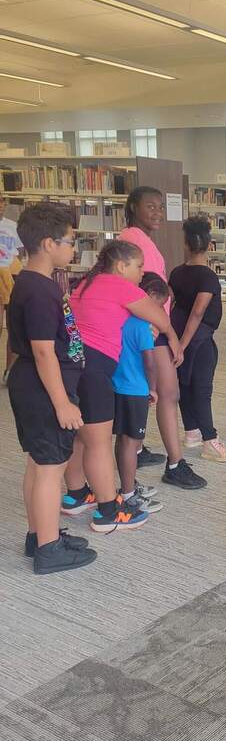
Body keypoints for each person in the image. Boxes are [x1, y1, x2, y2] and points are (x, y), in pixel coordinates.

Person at [63, 239, 181, 533]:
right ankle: (108, 511)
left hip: (74, 364)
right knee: (99, 441)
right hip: (96, 369)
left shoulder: (86, 285)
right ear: (121, 266)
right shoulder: (119, 285)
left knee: (82, 435)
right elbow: (158, 316)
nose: (142, 273)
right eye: (139, 266)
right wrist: (174, 338)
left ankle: (76, 493)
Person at [7, 203, 96, 574]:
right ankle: (48, 549)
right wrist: (62, 403)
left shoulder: (33, 283)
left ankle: (39, 534)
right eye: (70, 241)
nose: (73, 248)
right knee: (50, 468)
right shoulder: (40, 291)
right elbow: (44, 351)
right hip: (44, 389)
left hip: (32, 385)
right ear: (47, 243)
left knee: (39, 463)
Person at [119, 186, 206, 490]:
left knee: (158, 393)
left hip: (153, 326)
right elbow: (139, 294)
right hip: (150, 328)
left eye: (159, 207)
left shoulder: (141, 239)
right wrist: (168, 332)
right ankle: (175, 463)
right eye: (150, 207)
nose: (157, 212)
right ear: (133, 207)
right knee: (168, 393)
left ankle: (141, 450)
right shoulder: (131, 240)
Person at [169, 215, 226, 463]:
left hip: (178, 333)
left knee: (184, 385)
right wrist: (184, 345)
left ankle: (192, 432)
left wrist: (176, 342)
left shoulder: (176, 273)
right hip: (198, 339)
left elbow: (173, 305)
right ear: (209, 245)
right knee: (202, 388)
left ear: (185, 244)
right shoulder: (208, 277)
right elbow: (198, 312)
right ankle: (210, 440)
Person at [112, 271, 167, 517]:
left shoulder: (119, 318)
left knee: (121, 439)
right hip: (136, 389)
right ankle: (128, 494)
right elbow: (150, 361)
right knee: (132, 443)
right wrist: (153, 388)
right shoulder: (142, 326)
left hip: (116, 385)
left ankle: (128, 485)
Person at [0, 193, 23, 384]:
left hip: (11, 276)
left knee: (13, 326)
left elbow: (20, 251)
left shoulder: (11, 226)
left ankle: (9, 371)